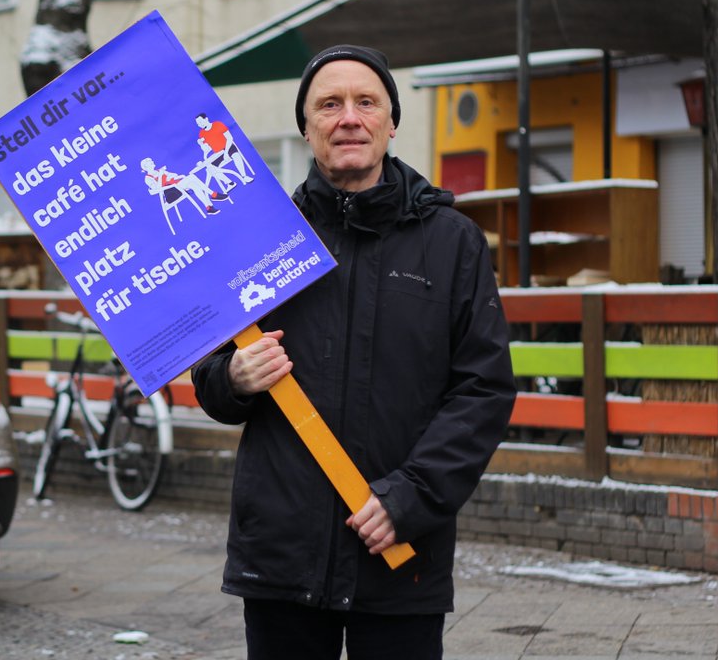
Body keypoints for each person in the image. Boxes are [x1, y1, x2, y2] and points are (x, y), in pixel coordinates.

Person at [192, 45, 516, 660]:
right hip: (282, 558)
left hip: (397, 554)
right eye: (329, 104)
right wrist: (233, 376)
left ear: (391, 122)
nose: (349, 117)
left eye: (366, 102)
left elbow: (483, 389)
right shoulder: (259, 239)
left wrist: (410, 499)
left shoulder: (452, 243)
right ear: (306, 126)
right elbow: (207, 379)